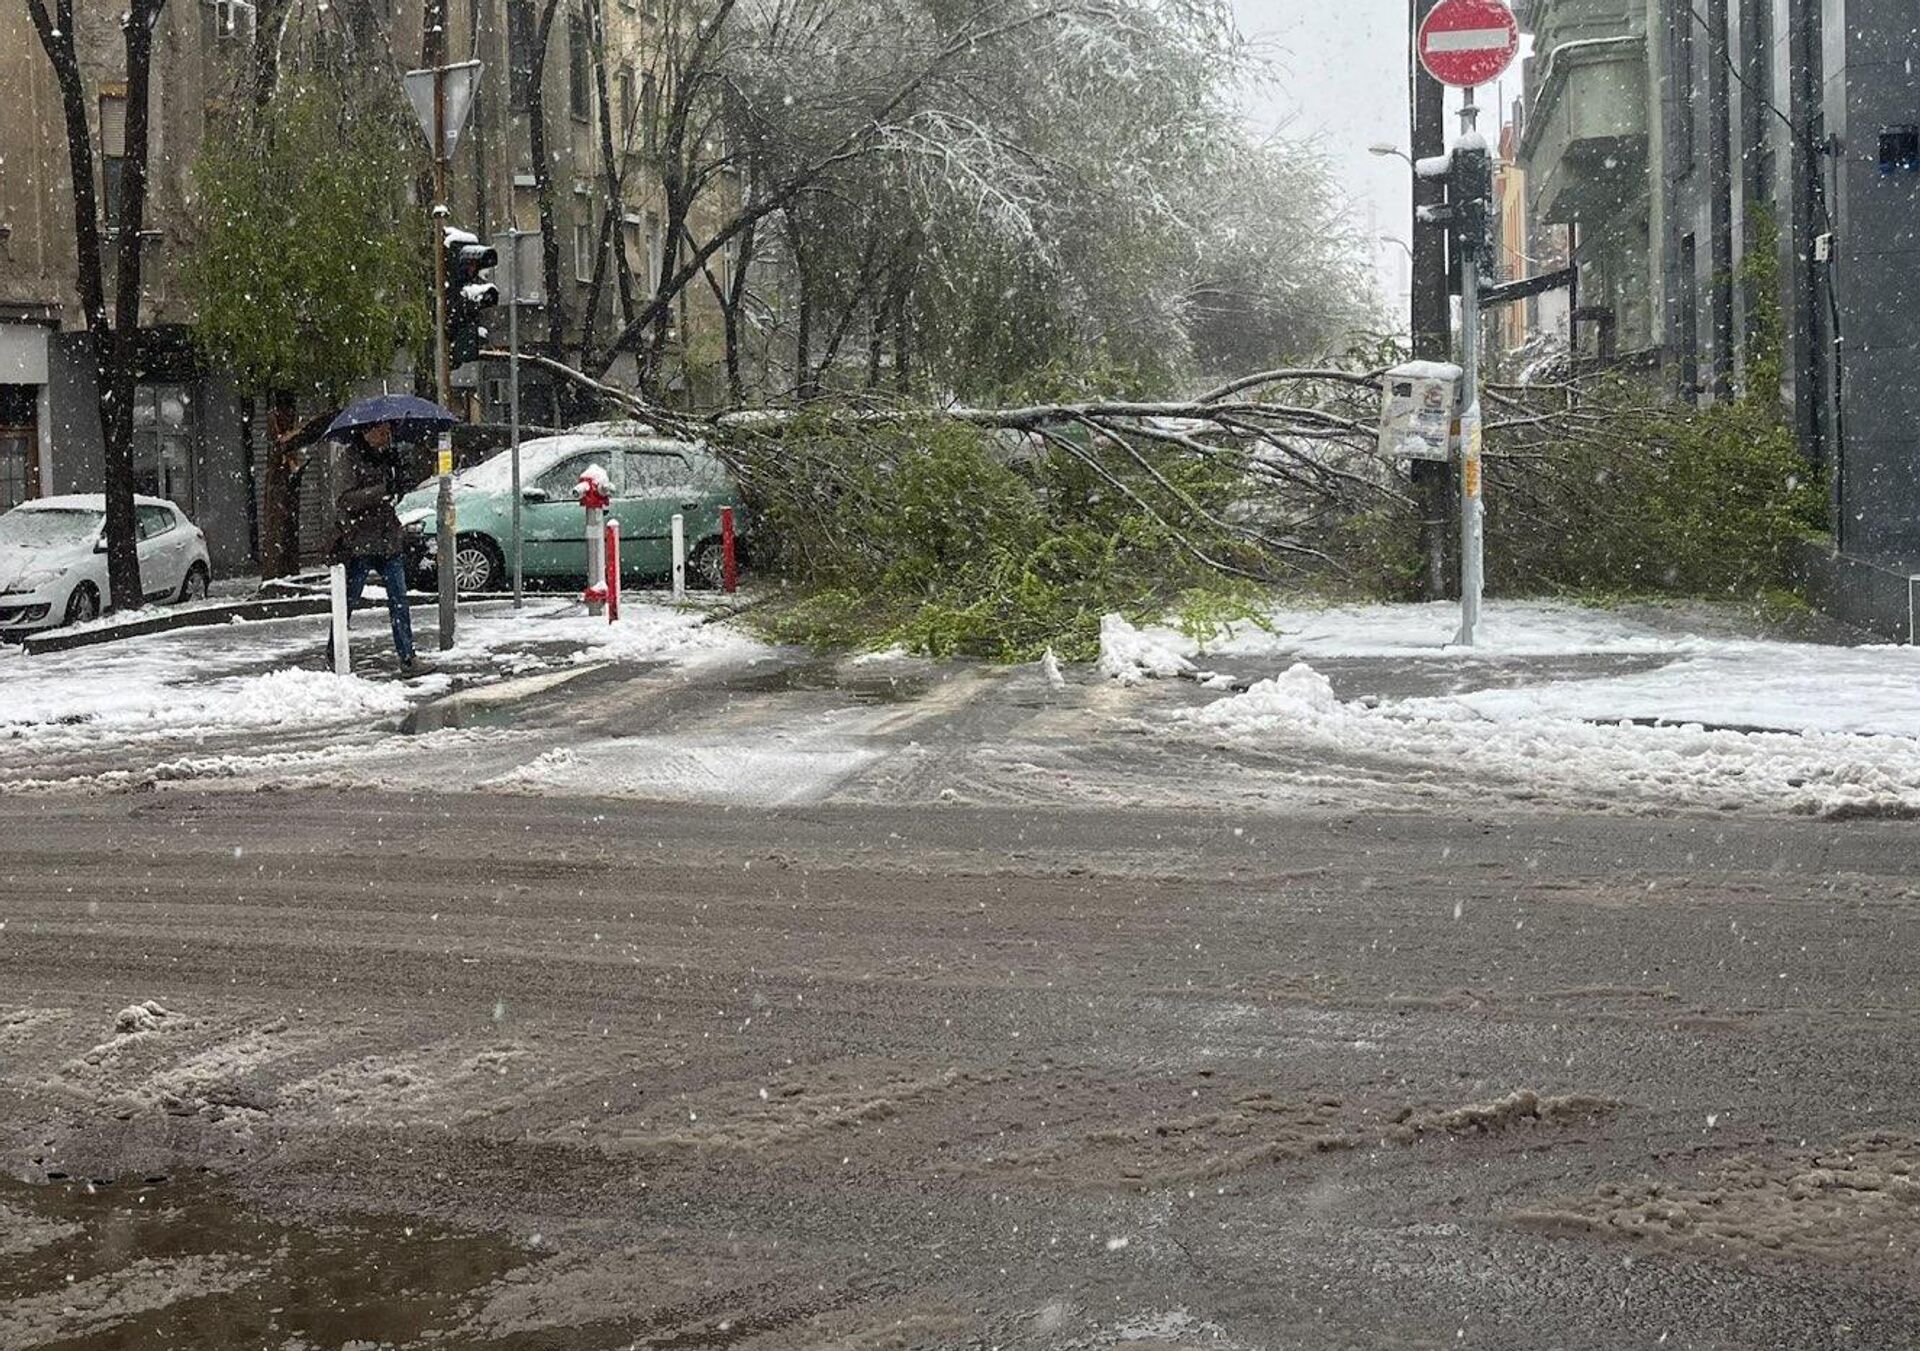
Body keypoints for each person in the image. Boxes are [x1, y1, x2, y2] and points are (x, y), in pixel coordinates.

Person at [328, 420, 422, 673]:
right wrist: (383, 490)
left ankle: (408, 657)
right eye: (382, 432)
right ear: (367, 432)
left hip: (388, 539)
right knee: (348, 600)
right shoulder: (349, 460)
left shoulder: (386, 458)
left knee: (399, 600)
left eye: (389, 432)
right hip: (360, 541)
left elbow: (392, 496)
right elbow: (345, 499)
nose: (386, 437)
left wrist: (399, 482)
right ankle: (334, 652)